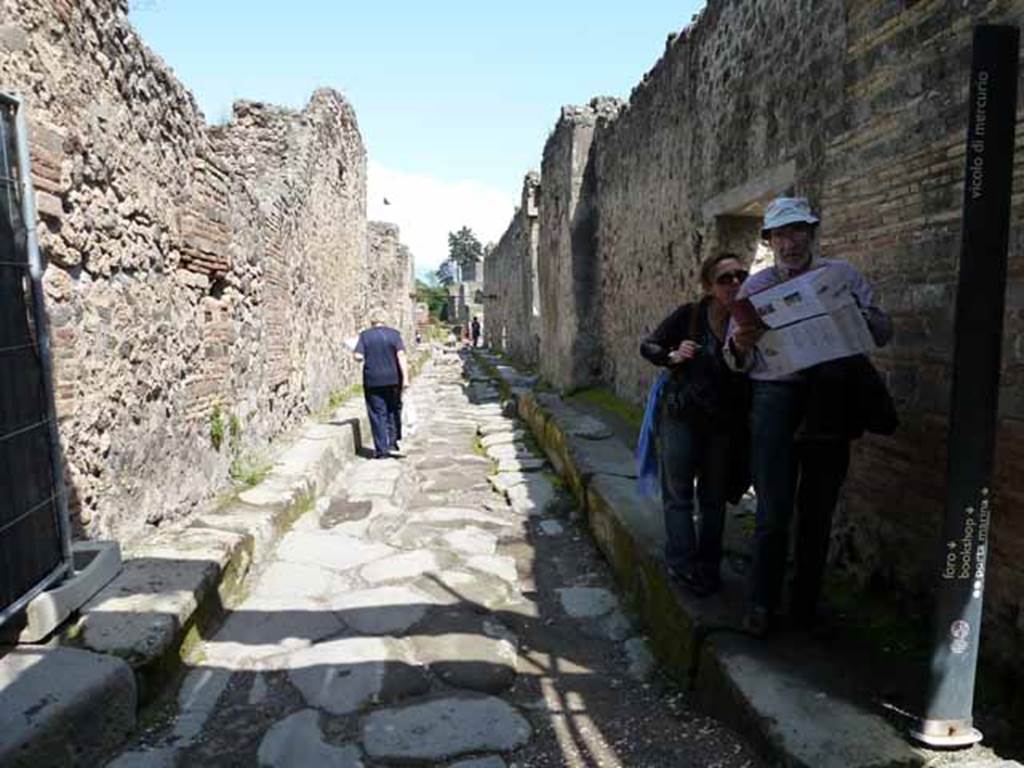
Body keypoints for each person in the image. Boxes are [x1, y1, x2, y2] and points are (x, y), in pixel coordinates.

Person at [725, 197, 893, 634]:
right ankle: (762, 604)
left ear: (811, 233)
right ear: (770, 240)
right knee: (773, 510)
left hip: (830, 399)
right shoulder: (754, 288)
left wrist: (862, 317)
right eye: (780, 234)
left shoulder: (841, 275)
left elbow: (881, 331)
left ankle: (804, 606)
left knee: (818, 510)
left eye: (798, 231)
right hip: (774, 399)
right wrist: (741, 343)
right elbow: (733, 360)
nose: (790, 241)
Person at [640, 253, 752, 597]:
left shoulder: (750, 317)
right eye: (725, 278)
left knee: (714, 499)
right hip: (681, 418)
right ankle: (682, 563)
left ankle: (708, 567)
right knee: (679, 496)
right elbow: (649, 346)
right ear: (708, 285)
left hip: (723, 424)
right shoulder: (690, 316)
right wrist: (672, 356)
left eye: (740, 275)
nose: (734, 283)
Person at [353, 309, 409, 459]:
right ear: (385, 319)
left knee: (377, 414)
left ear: (372, 321)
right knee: (393, 410)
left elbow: (358, 356)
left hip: (373, 380)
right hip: (393, 379)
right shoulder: (394, 335)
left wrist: (356, 352)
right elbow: (401, 355)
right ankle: (393, 441)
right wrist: (406, 378)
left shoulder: (365, 336)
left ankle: (381, 450)